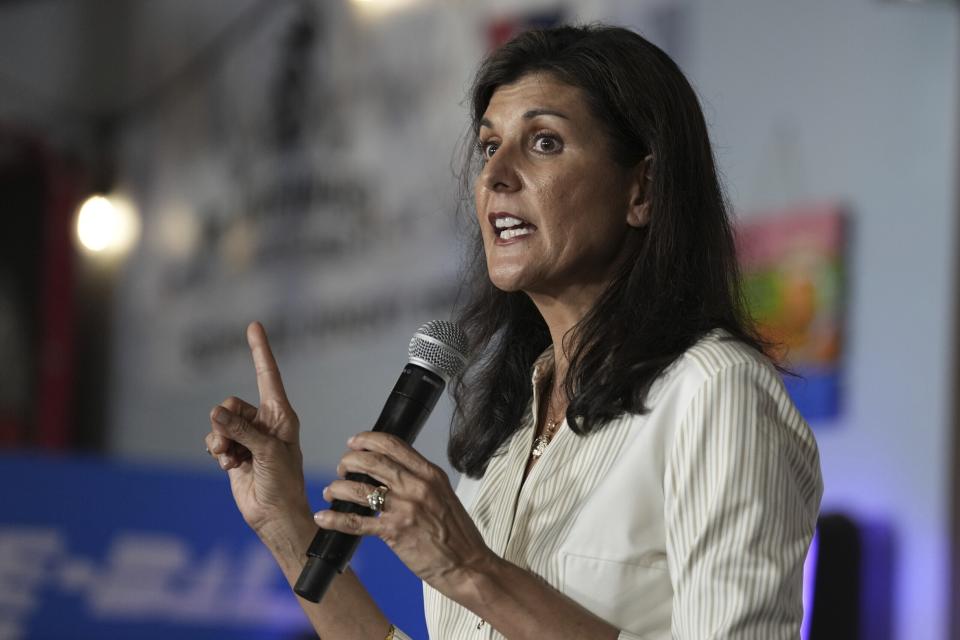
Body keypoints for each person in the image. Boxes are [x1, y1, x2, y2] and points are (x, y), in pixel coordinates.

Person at [204, 24, 822, 639]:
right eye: (489, 146)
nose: (496, 174)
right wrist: (284, 521)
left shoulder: (715, 392)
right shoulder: (506, 435)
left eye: (545, 142)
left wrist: (470, 568)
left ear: (644, 189)